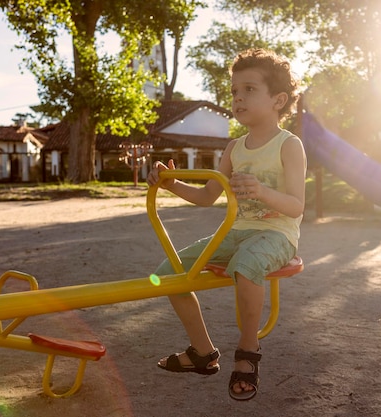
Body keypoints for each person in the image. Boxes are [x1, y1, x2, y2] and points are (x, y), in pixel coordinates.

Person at [146, 48, 306, 401]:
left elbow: (296, 206)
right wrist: (171, 184)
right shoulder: (234, 148)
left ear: (278, 100)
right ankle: (202, 352)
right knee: (168, 273)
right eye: (234, 91)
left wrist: (262, 191)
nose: (238, 98)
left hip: (277, 234)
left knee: (246, 265)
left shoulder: (288, 145)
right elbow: (207, 197)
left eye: (249, 89)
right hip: (237, 231)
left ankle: (248, 352)